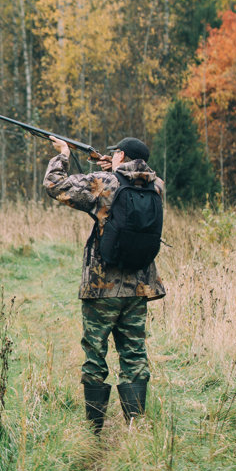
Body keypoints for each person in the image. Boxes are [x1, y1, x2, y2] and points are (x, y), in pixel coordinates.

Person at [44, 134, 166, 433]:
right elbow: (128, 183)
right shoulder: (157, 186)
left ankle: (94, 430)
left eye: (115, 155)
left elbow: (54, 185)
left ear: (120, 156)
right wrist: (109, 167)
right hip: (139, 286)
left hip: (102, 286)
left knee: (95, 354)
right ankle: (135, 425)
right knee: (134, 353)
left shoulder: (103, 182)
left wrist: (62, 153)